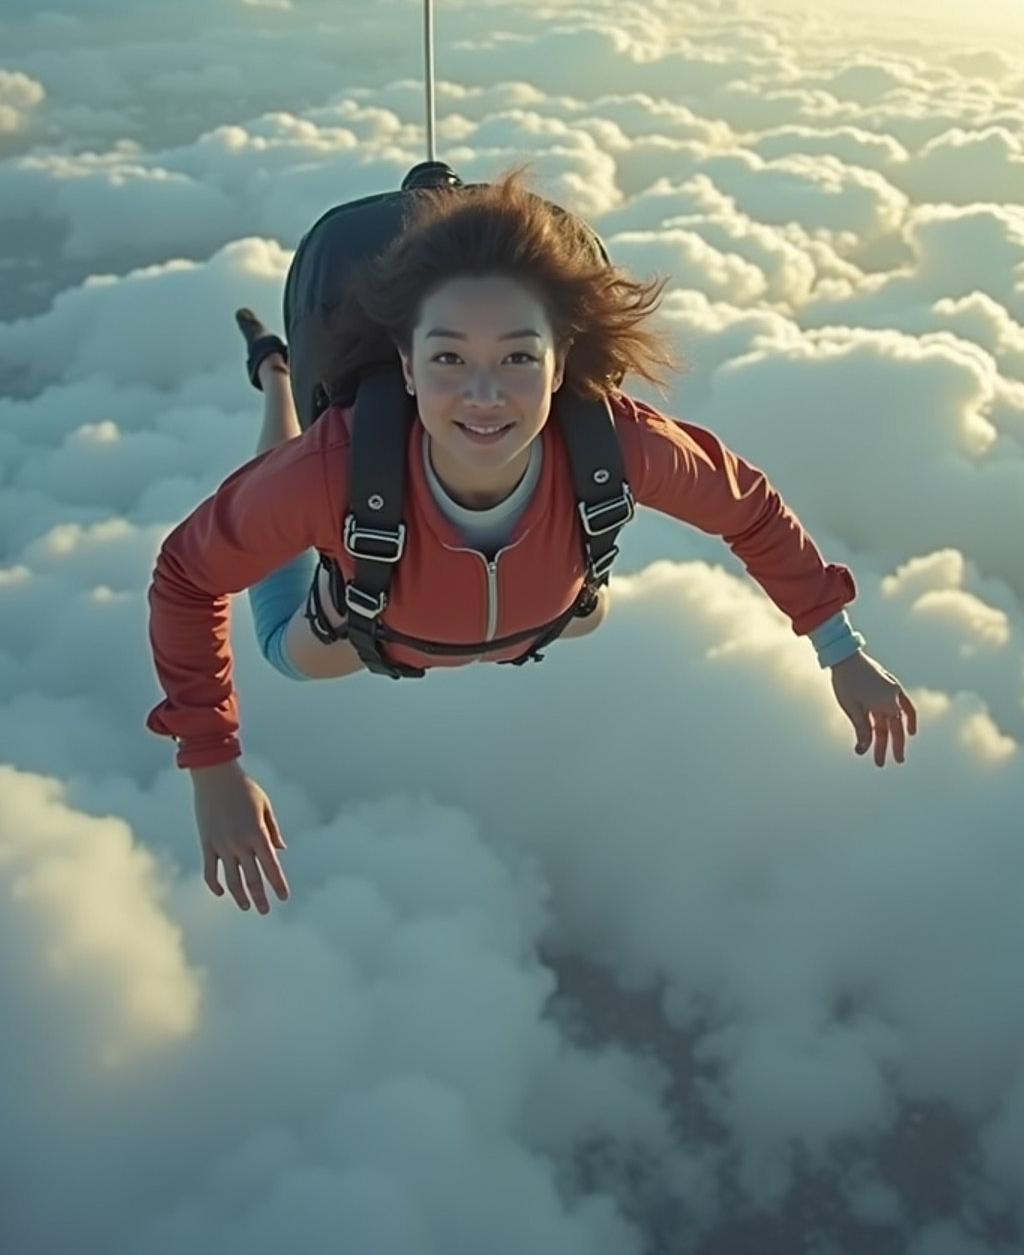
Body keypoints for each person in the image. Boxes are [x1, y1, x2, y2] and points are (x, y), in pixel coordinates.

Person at [146, 169, 917, 917]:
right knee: (279, 588)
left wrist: (839, 648)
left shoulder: (618, 447)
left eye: (518, 357)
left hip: (557, 606)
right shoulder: (331, 475)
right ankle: (275, 374)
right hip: (358, 632)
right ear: (407, 366)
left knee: (576, 601)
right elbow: (187, 578)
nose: (484, 396)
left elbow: (747, 509)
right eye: (449, 358)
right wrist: (212, 763)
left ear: (560, 365)